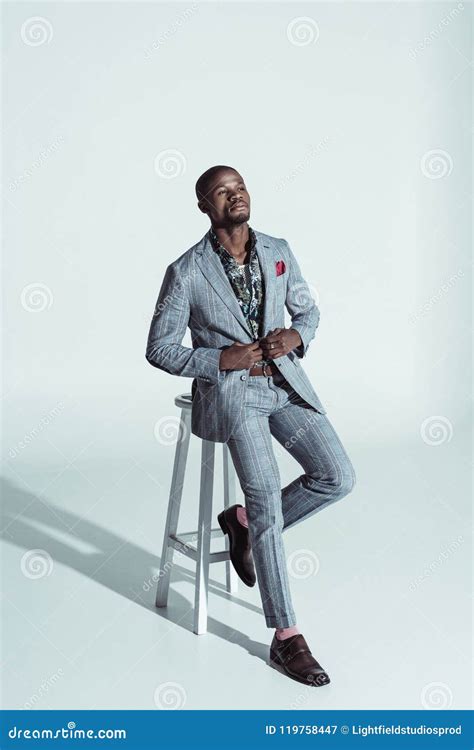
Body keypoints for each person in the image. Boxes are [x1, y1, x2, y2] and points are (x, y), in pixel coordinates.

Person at [146, 165, 356, 686]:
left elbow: (308, 312)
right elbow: (160, 348)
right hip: (234, 395)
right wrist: (222, 359)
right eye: (221, 191)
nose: (233, 194)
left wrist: (296, 338)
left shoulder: (279, 249)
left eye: (238, 186)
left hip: (284, 384)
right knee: (266, 498)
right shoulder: (186, 271)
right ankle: (286, 638)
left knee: (338, 476)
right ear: (204, 207)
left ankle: (243, 523)